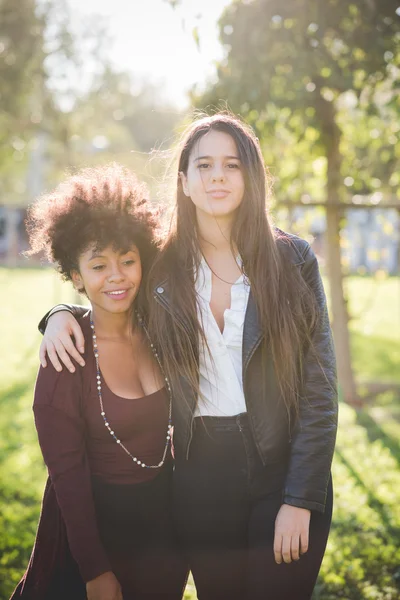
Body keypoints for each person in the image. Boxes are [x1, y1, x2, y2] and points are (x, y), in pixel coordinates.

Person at [37, 113, 338, 600]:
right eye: (204, 165)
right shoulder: (162, 266)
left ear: (251, 176)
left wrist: (300, 497)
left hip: (281, 470)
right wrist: (59, 314)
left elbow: (320, 389)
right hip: (200, 477)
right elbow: (113, 287)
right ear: (185, 181)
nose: (217, 175)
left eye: (232, 165)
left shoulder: (293, 260)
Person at [11, 165, 188, 600]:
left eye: (128, 260)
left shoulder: (162, 331)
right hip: (93, 545)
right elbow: (66, 476)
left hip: (162, 544)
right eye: (98, 265)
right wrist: (94, 570)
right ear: (75, 275)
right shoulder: (65, 358)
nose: (116, 276)